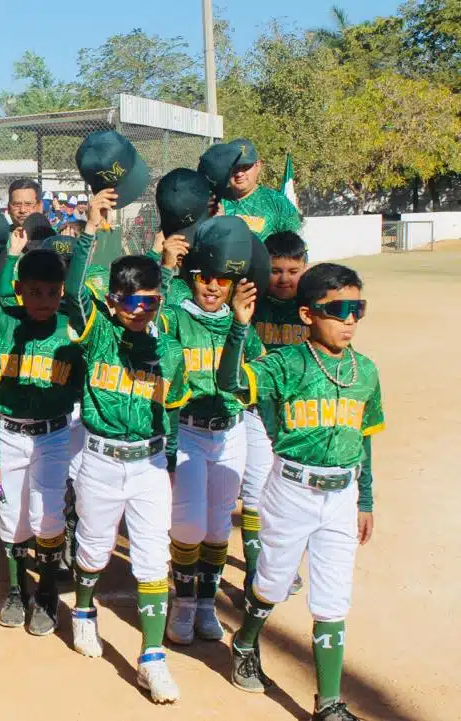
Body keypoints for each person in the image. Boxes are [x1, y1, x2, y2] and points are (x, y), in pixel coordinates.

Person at [220, 264, 382, 721]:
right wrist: (239, 327)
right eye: (339, 310)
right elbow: (230, 384)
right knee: (270, 583)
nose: (350, 319)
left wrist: (365, 500)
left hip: (341, 496)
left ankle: (328, 702)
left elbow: (365, 440)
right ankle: (247, 639)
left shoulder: (365, 371)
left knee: (333, 599)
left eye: (358, 309)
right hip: (292, 490)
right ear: (308, 314)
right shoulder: (287, 363)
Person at [63, 188, 189, 704]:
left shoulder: (169, 350)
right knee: (93, 551)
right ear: (114, 300)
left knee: (153, 559)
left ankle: (151, 659)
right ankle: (84, 610)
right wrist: (90, 232)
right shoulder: (98, 335)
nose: (144, 310)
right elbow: (72, 294)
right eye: (134, 301)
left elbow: (174, 410)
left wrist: (174, 460)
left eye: (153, 301)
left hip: (149, 463)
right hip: (99, 459)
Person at [158, 216, 264, 648]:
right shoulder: (177, 317)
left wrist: (240, 323)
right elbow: (154, 314)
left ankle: (205, 603)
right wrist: (166, 267)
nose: (213, 286)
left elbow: (236, 381)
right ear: (193, 276)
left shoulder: (244, 323)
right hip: (187, 430)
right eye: (205, 277)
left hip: (229, 431)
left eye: (224, 278)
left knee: (219, 525)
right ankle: (182, 604)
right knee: (188, 523)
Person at [0, 235, 83, 636]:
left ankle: (46, 591)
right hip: (8, 432)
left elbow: (79, 294)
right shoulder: (3, 321)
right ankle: (15, 588)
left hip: (55, 433)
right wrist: (9, 255)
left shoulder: (72, 326)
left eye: (52, 291)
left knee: (48, 514)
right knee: (11, 517)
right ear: (19, 289)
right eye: (34, 291)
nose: (44, 299)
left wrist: (89, 233)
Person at [240, 230, 311, 596]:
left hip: (298, 416)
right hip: (255, 410)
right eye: (276, 270)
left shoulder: (315, 306)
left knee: (291, 497)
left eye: (293, 270)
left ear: (305, 267)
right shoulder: (255, 302)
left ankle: (281, 564)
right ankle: (255, 571)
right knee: (254, 493)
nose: (284, 279)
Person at [222, 138, 302, 241]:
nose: (239, 173)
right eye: (234, 167)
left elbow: (297, 250)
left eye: (245, 167)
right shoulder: (214, 200)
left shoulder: (277, 202)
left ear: (258, 166)